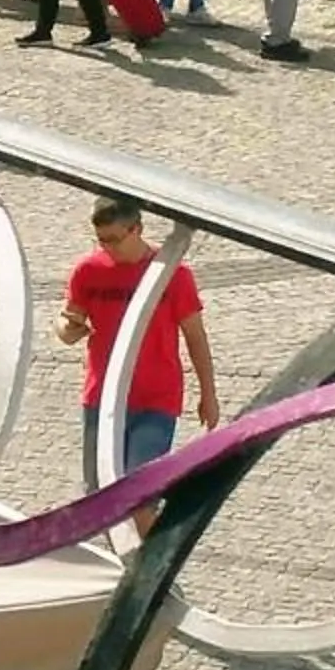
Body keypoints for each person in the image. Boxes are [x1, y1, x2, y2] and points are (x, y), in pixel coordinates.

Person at [59, 196, 219, 506]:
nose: (108, 248)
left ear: (137, 229)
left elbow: (196, 338)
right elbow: (66, 325)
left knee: (140, 495)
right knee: (99, 496)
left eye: (114, 240)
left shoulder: (173, 274)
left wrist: (208, 394)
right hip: (102, 398)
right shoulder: (88, 271)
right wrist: (69, 329)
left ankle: (151, 553)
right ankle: (127, 553)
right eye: (101, 241)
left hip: (156, 400)